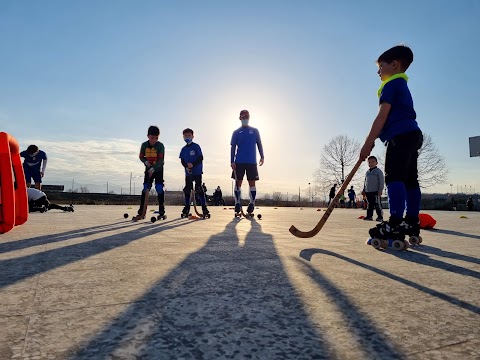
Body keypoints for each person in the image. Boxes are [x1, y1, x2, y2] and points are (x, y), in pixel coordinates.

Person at [359, 45, 423, 240]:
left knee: (394, 177)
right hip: (413, 135)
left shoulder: (390, 86)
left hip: (400, 137)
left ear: (394, 65)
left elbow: (381, 117)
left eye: (380, 67)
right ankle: (411, 221)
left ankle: (395, 223)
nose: (378, 71)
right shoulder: (402, 85)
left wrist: (367, 142)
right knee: (410, 179)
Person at [231, 110, 264, 214]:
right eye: (243, 116)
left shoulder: (255, 131)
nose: (245, 118)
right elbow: (233, 147)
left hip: (252, 162)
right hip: (239, 162)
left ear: (249, 118)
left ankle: (252, 204)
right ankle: (237, 203)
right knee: (238, 183)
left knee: (252, 183)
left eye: (246, 116)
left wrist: (262, 156)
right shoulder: (236, 132)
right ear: (240, 118)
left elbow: (259, 144)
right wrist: (232, 161)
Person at [134, 125, 166, 220]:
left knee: (159, 188)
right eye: (152, 138)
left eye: (156, 138)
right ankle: (142, 211)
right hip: (148, 169)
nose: (154, 140)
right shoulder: (144, 145)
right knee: (145, 188)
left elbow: (161, 160)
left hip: (158, 170)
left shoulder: (160, 146)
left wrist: (154, 168)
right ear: (148, 136)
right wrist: (146, 162)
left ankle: (161, 210)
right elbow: (141, 156)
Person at [179, 128, 209, 216]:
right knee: (187, 189)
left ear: (192, 136)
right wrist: (186, 166)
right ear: (183, 137)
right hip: (188, 172)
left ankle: (204, 207)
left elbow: (200, 158)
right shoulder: (183, 149)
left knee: (199, 188)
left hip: (197, 171)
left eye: (189, 135)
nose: (187, 137)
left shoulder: (196, 146)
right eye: (185, 136)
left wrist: (193, 164)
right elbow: (182, 160)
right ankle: (187, 207)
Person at [362, 156, 384, 221]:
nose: (371, 163)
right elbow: (365, 182)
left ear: (376, 163)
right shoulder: (367, 172)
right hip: (368, 191)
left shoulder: (378, 171)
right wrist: (364, 190)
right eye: (369, 162)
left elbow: (381, 181)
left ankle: (380, 217)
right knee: (369, 204)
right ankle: (369, 216)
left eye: (373, 162)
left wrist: (380, 189)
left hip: (376, 191)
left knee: (377, 204)